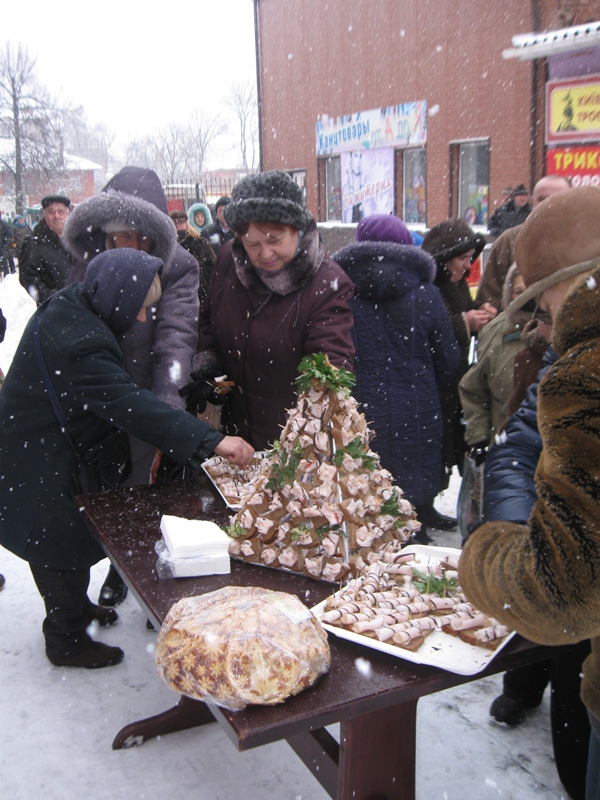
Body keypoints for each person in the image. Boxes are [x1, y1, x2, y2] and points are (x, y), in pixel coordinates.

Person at [0, 248, 253, 669]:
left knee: (67, 536)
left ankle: (77, 611)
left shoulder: (74, 304)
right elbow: (130, 404)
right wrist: (212, 441)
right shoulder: (80, 342)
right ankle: (66, 639)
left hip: (41, 444)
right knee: (56, 543)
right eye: (138, 308)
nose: (142, 318)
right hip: (38, 457)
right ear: (114, 296)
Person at [459, 186, 600, 800]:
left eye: (544, 303)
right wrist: (517, 514)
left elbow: (559, 594)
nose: (545, 323)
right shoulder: (570, 363)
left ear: (573, 283)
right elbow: (519, 440)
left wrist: (484, 556)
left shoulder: (588, 370)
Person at [64, 166, 200, 607]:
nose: (133, 245)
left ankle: (133, 567)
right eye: (122, 234)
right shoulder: (85, 262)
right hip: (93, 393)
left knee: (141, 488)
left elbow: (176, 336)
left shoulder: (179, 267)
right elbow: (70, 323)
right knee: (96, 487)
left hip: (141, 396)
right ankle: (107, 563)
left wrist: (166, 401)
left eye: (143, 236)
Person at [183, 170, 355, 451]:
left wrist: (307, 439)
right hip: (231, 442)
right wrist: (209, 368)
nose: (264, 254)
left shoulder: (326, 284)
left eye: (274, 240)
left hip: (288, 447)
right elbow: (209, 319)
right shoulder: (228, 259)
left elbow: (330, 368)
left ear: (297, 228)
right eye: (252, 244)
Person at [333, 214, 460, 544]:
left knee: (368, 483)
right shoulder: (427, 295)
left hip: (361, 408)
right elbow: (449, 361)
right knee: (413, 478)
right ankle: (416, 539)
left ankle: (371, 542)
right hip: (417, 408)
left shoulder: (340, 295)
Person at [420, 219, 496, 530]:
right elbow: (431, 329)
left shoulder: (457, 283)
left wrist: (481, 312)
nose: (468, 265)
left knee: (447, 443)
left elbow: (461, 310)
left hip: (454, 378)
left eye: (470, 258)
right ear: (444, 257)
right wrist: (465, 322)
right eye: (462, 258)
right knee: (433, 445)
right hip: (434, 380)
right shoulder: (430, 286)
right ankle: (422, 508)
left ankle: (429, 505)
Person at [476, 175, 571, 310]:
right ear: (532, 202)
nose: (549, 204)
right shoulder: (508, 241)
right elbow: (488, 301)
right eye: (542, 199)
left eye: (558, 198)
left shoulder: (587, 241)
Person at [459, 264, 527, 451]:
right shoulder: (495, 331)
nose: (525, 297)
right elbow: (474, 389)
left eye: (530, 288)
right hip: (504, 445)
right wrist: (478, 436)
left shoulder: (557, 331)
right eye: (518, 291)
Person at [18, 194, 73, 304]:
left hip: (77, 307)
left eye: (61, 212)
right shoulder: (33, 242)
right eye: (51, 212)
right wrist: (54, 299)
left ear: (67, 215)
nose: (56, 216)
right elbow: (29, 278)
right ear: (44, 215)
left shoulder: (74, 240)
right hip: (51, 309)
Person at [169, 209, 216, 306]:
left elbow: (212, 265)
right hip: (174, 294)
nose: (178, 225)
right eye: (175, 223)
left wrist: (202, 281)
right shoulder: (167, 245)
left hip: (199, 292)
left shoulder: (200, 243)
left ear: (186, 223)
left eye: (181, 222)